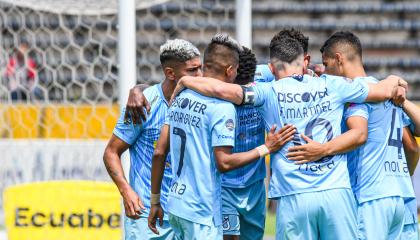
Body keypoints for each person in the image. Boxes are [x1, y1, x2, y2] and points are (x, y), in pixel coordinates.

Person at [170, 35, 407, 239]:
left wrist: (187, 80)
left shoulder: (269, 91)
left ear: (272, 69)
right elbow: (384, 90)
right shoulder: (334, 84)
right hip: (336, 194)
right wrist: (396, 80)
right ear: (304, 63)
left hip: (294, 198)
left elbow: (224, 90)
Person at [148, 33, 295, 239]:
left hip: (180, 202)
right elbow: (223, 162)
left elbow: (159, 151)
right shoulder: (222, 106)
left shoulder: (181, 95)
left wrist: (155, 201)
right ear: (230, 70)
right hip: (210, 201)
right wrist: (267, 148)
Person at [287, 31, 417, 239]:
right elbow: (412, 146)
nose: (326, 72)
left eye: (327, 64)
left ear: (339, 59)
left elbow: (360, 134)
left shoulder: (359, 97)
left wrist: (321, 150)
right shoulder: (388, 92)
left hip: (370, 196)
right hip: (400, 196)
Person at [103, 39, 202, 240]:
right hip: (146, 214)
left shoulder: (200, 101)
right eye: (192, 70)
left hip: (186, 213)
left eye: (200, 68)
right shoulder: (143, 105)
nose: (200, 76)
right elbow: (111, 152)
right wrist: (126, 191)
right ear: (170, 73)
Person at [221, 46, 267, 240]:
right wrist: (138, 89)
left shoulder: (264, 81)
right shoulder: (213, 89)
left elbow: (291, 69)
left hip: (255, 184)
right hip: (224, 185)